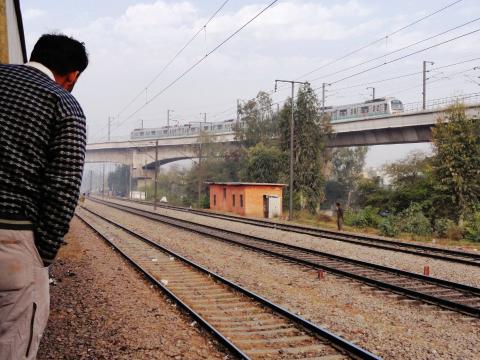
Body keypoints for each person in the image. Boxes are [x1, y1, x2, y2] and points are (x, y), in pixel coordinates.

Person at [0, 34, 88, 359]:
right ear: (72, 75)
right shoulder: (63, 104)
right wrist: (42, 254)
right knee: (12, 341)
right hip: (12, 242)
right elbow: (63, 189)